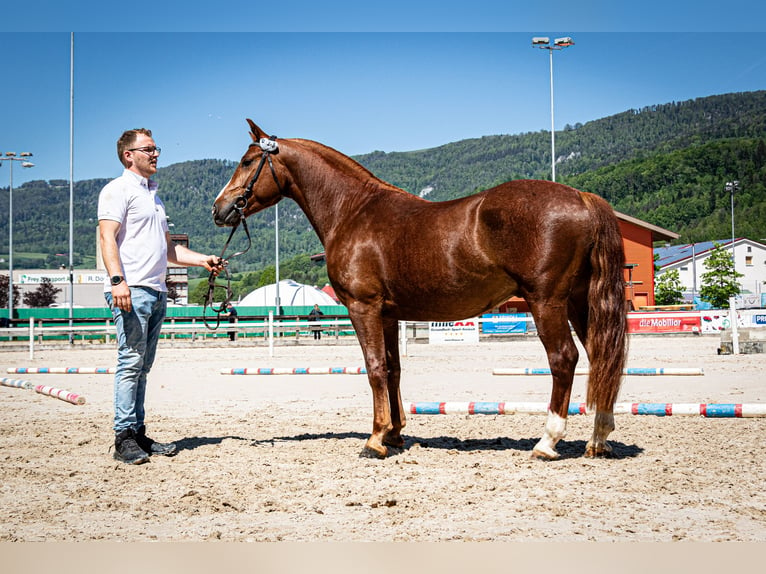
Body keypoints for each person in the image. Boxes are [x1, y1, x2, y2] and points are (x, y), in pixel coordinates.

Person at [98, 128, 222, 465]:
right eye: (148, 149)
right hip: (132, 288)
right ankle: (123, 437)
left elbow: (168, 250)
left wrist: (203, 260)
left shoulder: (154, 197)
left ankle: (137, 433)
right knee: (130, 362)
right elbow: (107, 237)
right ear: (129, 155)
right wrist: (117, 281)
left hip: (155, 289)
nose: (155, 154)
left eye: (156, 148)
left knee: (143, 366)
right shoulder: (117, 190)